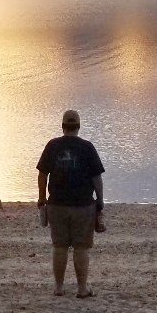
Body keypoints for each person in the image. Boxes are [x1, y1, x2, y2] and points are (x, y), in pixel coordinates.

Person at [36, 109, 105, 297]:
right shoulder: (87, 147)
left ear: (63, 126)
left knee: (59, 246)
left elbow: (42, 174)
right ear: (79, 126)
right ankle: (82, 288)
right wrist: (100, 200)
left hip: (56, 204)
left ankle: (59, 287)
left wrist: (42, 198)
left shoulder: (52, 145)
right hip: (83, 205)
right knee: (81, 247)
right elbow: (96, 177)